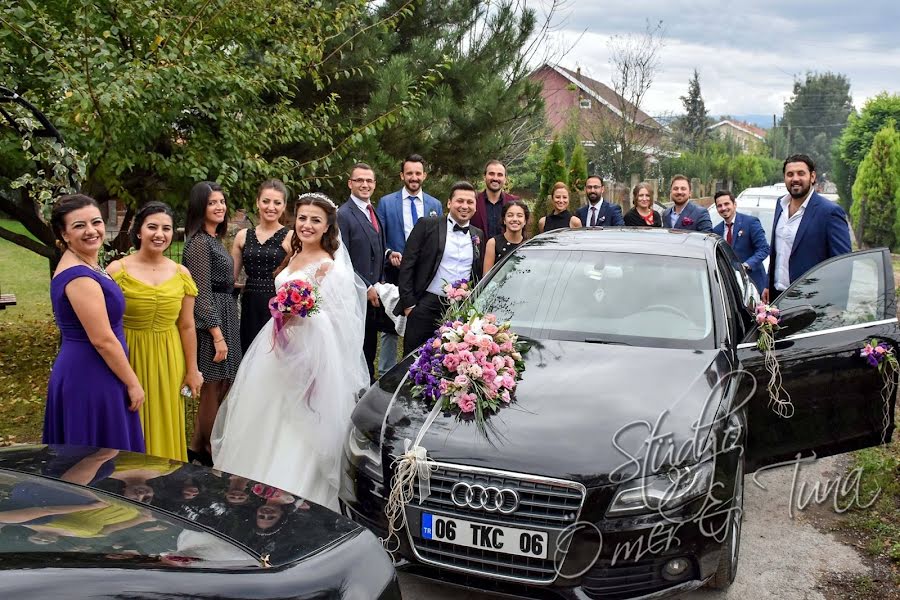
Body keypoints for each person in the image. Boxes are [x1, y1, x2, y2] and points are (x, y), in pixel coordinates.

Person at [211, 193, 369, 511]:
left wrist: (300, 315)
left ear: (327, 227)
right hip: (275, 349)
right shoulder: (292, 255)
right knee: (269, 413)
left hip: (310, 354)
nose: (307, 225)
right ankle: (257, 479)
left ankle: (296, 486)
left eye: (315, 220)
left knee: (298, 421)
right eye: (302, 218)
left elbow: (339, 322)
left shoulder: (330, 266)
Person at [43, 194, 145, 453]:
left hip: (101, 370)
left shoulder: (88, 264)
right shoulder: (79, 278)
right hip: (90, 374)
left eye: (96, 222)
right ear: (64, 235)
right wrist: (132, 382)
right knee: (93, 457)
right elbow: (102, 339)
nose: (91, 231)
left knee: (103, 456)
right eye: (79, 226)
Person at [106, 202, 203, 462]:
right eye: (152, 227)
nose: (160, 234)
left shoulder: (181, 273)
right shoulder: (117, 271)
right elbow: (103, 325)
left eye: (166, 228)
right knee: (131, 416)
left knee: (165, 416)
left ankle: (164, 479)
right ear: (139, 231)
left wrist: (192, 370)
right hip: (129, 354)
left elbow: (186, 324)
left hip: (169, 357)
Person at [181, 182, 242, 465]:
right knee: (212, 387)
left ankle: (195, 447)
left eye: (221, 202)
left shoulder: (213, 239)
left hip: (226, 312)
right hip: (211, 323)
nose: (219, 207)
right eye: (211, 203)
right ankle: (207, 451)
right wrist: (217, 335)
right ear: (199, 208)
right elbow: (201, 293)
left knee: (224, 384)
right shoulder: (198, 244)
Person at [395, 181, 485, 351]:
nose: (464, 206)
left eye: (470, 202)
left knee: (450, 361)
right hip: (426, 304)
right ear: (449, 203)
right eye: (460, 201)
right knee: (414, 358)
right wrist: (409, 305)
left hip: (459, 310)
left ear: (475, 206)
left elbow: (477, 272)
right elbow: (408, 264)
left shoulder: (477, 235)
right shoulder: (427, 225)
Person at [375, 154, 443, 376]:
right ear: (402, 175)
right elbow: (379, 237)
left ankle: (421, 370)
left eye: (418, 173)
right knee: (390, 328)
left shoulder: (435, 204)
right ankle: (386, 374)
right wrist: (388, 253)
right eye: (409, 173)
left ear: (424, 175)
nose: (414, 177)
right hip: (396, 272)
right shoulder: (386, 203)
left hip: (424, 277)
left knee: (422, 324)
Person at [337, 163, 401, 382]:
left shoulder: (373, 212)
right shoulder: (343, 215)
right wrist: (365, 286)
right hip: (355, 294)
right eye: (359, 180)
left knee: (369, 348)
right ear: (350, 183)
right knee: (358, 351)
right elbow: (341, 258)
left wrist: (389, 254)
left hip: (375, 296)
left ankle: (368, 386)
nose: (365, 185)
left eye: (369, 181)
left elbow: (374, 249)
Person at [763, 154, 851, 302]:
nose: (795, 179)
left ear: (812, 176)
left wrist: (836, 306)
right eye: (790, 174)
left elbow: (843, 264)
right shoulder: (780, 205)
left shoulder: (829, 212)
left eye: (801, 173)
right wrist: (767, 284)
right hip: (777, 298)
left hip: (811, 302)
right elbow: (778, 251)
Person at [231, 179, 292, 353]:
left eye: (277, 202)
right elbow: (231, 278)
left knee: (273, 354)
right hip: (250, 304)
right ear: (257, 202)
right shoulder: (242, 236)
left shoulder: (290, 237)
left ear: (284, 206)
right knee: (248, 351)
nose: (270, 207)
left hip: (276, 306)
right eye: (266, 201)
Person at [711, 190, 770, 294]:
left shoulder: (751, 223)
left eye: (726, 204)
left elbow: (764, 249)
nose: (723, 208)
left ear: (734, 204)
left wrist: (746, 265)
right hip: (731, 289)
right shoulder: (716, 231)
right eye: (719, 206)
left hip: (754, 285)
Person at [470, 159, 520, 253]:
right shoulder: (473, 201)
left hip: (506, 258)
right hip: (478, 258)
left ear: (505, 179)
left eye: (500, 175)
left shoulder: (515, 202)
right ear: (484, 177)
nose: (495, 178)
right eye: (491, 174)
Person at [483, 201, 529, 275]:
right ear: (504, 220)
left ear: (525, 221)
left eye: (519, 216)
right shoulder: (493, 243)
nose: (514, 219)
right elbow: (486, 276)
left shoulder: (529, 244)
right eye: (510, 215)